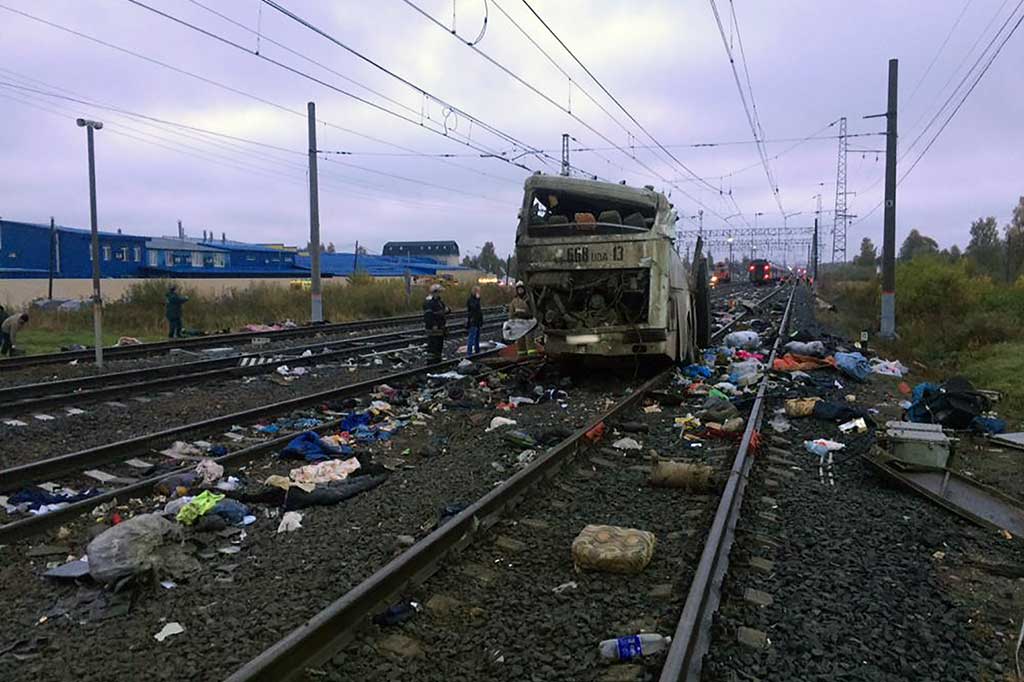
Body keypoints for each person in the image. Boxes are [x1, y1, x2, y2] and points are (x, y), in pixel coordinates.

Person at [423, 283, 450, 362]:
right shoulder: (429, 302)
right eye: (438, 292)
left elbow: (445, 309)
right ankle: (432, 361)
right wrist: (433, 325)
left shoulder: (439, 301)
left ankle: (438, 359)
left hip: (440, 326)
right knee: (433, 344)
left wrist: (447, 310)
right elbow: (428, 316)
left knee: (439, 344)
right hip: (433, 327)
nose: (439, 294)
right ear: (434, 292)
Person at [508, 280, 534, 355]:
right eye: (518, 289)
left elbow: (534, 311)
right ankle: (522, 356)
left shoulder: (529, 299)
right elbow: (511, 313)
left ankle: (532, 357)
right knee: (520, 342)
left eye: (521, 289)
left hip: (528, 323)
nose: (520, 291)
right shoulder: (514, 301)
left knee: (529, 341)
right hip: (518, 324)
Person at [465, 285, 483, 356]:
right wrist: (478, 300)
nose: (478, 293)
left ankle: (477, 350)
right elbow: (474, 308)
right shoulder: (471, 300)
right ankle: (469, 353)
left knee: (477, 337)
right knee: (472, 337)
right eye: (477, 291)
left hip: (477, 321)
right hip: (473, 321)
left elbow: (479, 311)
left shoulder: (476, 299)